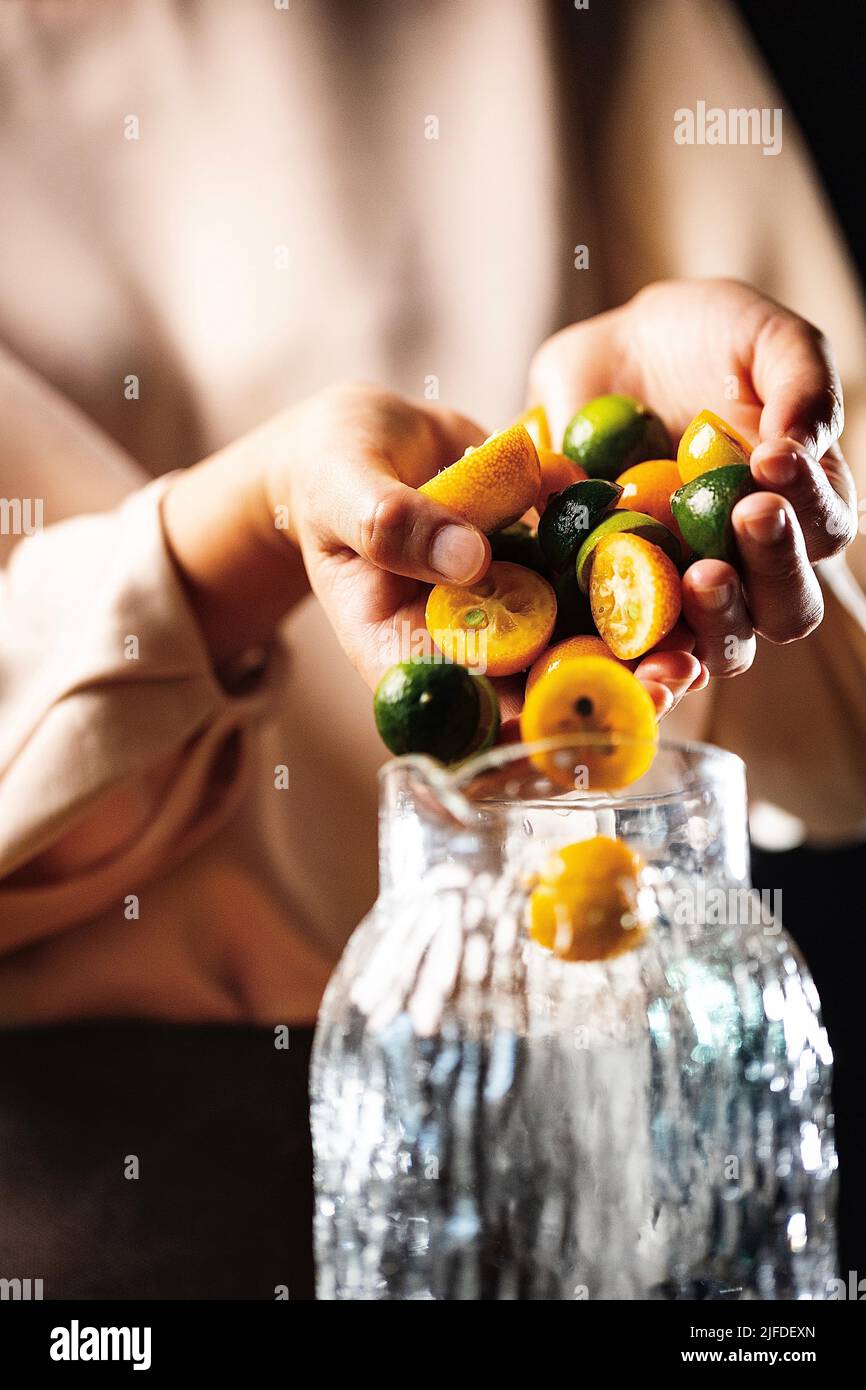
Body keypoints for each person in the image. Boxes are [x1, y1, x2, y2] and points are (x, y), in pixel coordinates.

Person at [0, 0, 862, 1295]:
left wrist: (765, 459)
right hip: (96, 1183)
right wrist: (245, 523)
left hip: (580, 1093)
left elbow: (834, 732)